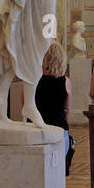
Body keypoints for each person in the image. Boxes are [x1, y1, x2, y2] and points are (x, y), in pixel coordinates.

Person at [35, 41, 74, 175]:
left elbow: (25, 104)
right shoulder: (66, 81)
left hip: (36, 129)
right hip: (59, 128)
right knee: (57, 173)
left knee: (38, 172)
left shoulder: (33, 81)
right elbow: (67, 108)